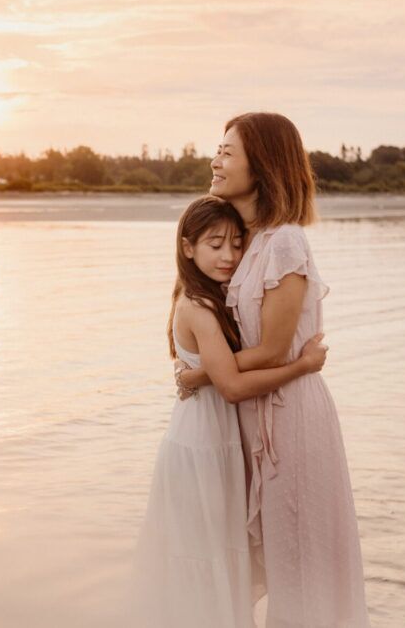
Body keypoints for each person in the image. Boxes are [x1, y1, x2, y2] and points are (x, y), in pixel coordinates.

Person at [177, 112, 372, 626]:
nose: (215, 160)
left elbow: (275, 350)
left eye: (227, 151)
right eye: (217, 150)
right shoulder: (244, 240)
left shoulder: (284, 241)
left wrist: (203, 374)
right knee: (282, 563)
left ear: (260, 164)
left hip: (289, 418)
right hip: (255, 414)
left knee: (302, 564)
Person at [132, 194, 329, 628]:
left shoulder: (215, 295)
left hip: (215, 438)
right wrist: (302, 365)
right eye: (215, 244)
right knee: (204, 555)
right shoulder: (199, 306)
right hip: (200, 444)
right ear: (188, 247)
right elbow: (234, 386)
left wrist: (196, 375)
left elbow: (219, 371)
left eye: (237, 244)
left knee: (221, 553)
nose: (229, 255)